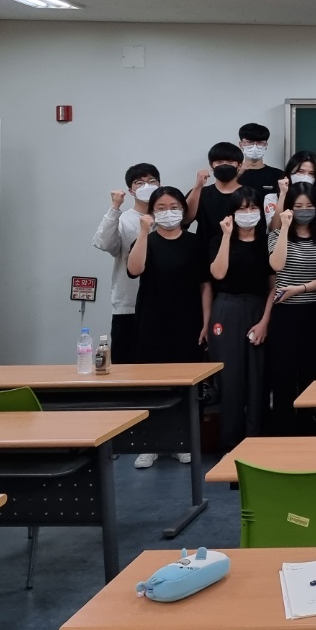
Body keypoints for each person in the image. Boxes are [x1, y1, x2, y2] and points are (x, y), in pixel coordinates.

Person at [125, 186, 210, 467]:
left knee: (185, 385)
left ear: (183, 210)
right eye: (160, 208)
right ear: (151, 212)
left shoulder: (195, 243)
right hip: (152, 321)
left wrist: (206, 321)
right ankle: (150, 444)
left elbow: (205, 285)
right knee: (151, 385)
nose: (168, 212)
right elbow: (134, 270)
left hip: (188, 321)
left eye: (174, 207)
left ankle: (182, 443)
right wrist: (143, 232)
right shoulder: (146, 240)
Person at [207, 187, 274, 451]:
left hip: (258, 309)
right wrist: (227, 236)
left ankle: (255, 443)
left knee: (257, 379)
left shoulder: (267, 241)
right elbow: (218, 274)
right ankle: (230, 446)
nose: (248, 213)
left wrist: (265, 321)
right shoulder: (219, 239)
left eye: (253, 208)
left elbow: (273, 286)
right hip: (227, 308)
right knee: (230, 379)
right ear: (232, 213)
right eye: (242, 209)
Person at [265, 184, 316, 434]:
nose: (304, 211)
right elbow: (277, 264)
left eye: (309, 206)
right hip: (284, 313)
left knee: (312, 373)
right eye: (298, 206)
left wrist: (301, 288)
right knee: (282, 374)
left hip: (315, 312)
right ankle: (283, 431)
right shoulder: (275, 234)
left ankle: (310, 430)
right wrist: (284, 227)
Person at [92, 162, 158, 365]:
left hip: (162, 306)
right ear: (131, 190)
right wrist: (115, 207)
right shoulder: (123, 220)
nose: (146, 186)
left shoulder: (169, 217)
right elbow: (103, 243)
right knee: (126, 365)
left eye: (152, 181)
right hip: (129, 306)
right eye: (139, 183)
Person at [187, 142, 244, 245]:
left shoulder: (249, 194)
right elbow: (185, 220)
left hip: (240, 250)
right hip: (205, 250)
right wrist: (198, 186)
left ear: (239, 165)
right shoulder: (200, 192)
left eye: (230, 162)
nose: (224, 165)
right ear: (211, 165)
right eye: (219, 162)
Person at [236, 123, 285, 208]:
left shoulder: (278, 175)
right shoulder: (234, 175)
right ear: (241, 145)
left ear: (266, 145)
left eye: (260, 143)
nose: (255, 146)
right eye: (249, 142)